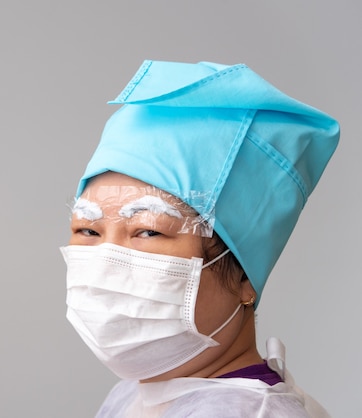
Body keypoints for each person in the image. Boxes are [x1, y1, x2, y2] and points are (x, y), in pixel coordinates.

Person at [60, 60, 339, 417]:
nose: (105, 261)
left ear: (243, 276)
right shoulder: (137, 396)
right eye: (89, 230)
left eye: (148, 230)